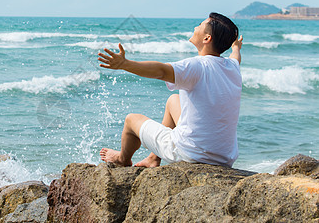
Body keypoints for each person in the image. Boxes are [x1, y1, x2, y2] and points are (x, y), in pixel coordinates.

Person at [98, 12, 243, 168]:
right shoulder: (232, 67)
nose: (196, 26)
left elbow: (161, 71)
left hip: (192, 153)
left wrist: (125, 64)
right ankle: (154, 158)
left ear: (207, 38)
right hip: (224, 157)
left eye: (201, 25)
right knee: (173, 100)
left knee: (131, 120)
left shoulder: (197, 66)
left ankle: (122, 159)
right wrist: (235, 47)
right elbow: (236, 57)